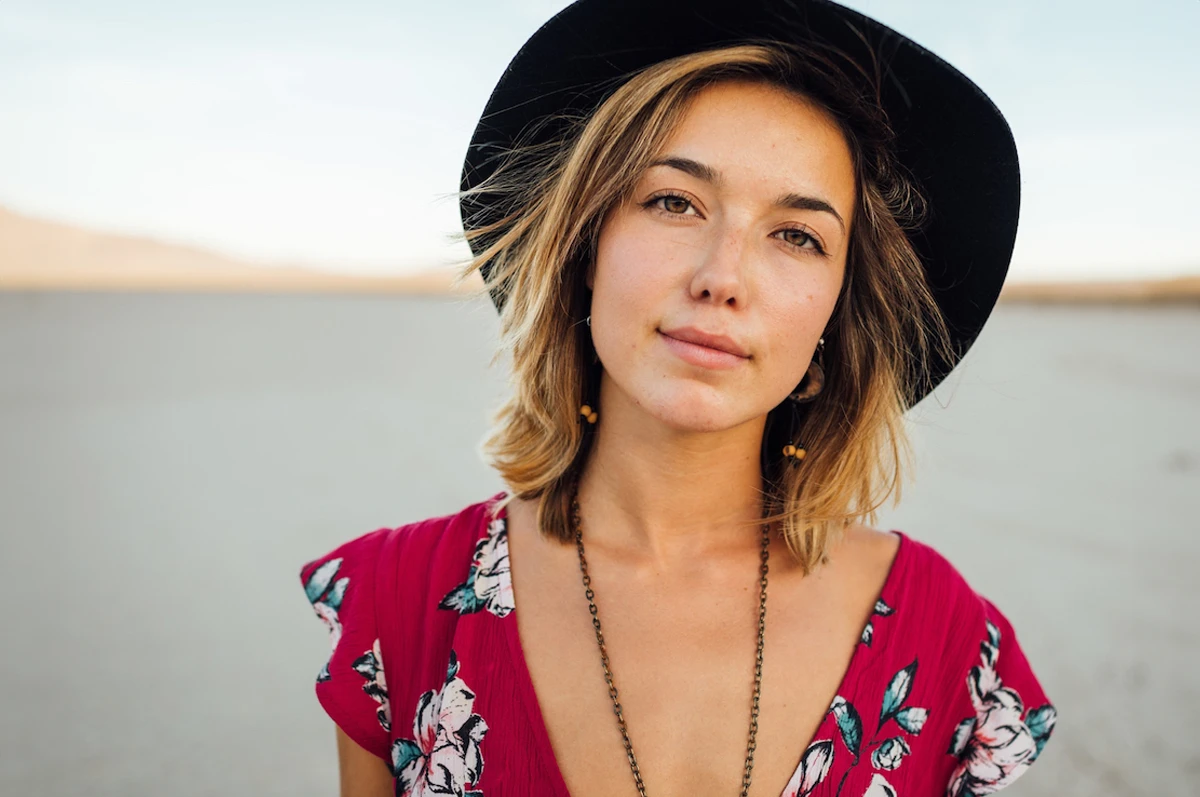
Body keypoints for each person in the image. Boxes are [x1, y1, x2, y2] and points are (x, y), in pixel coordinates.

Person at [298, 1, 1058, 795]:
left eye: (797, 235)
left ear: (837, 316)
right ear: (586, 247)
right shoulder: (401, 605)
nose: (722, 277)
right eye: (673, 202)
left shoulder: (944, 639)